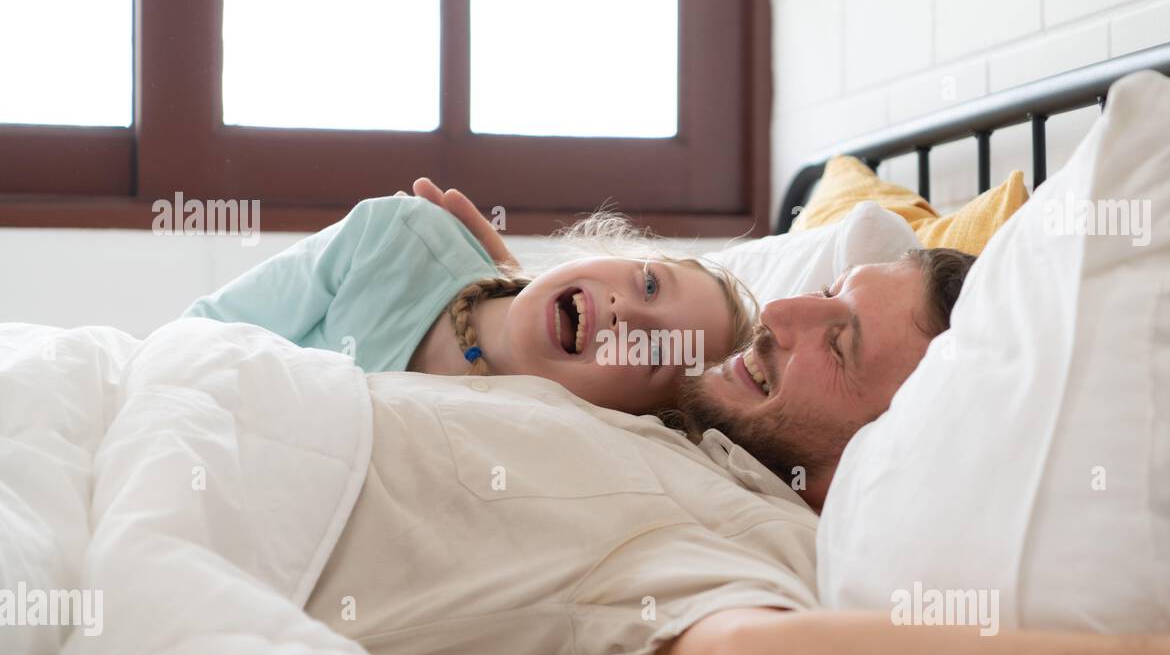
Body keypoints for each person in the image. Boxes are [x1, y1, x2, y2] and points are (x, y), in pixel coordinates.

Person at [329, 179, 1170, 655]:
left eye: (837, 342)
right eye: (823, 290)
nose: (779, 313)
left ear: (902, 437)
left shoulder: (734, 528)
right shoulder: (660, 419)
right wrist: (497, 311)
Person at [182, 182, 756, 415]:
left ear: (629, 418)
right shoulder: (401, 237)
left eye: (651, 351)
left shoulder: (530, 449)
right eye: (649, 283)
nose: (627, 313)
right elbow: (197, 336)